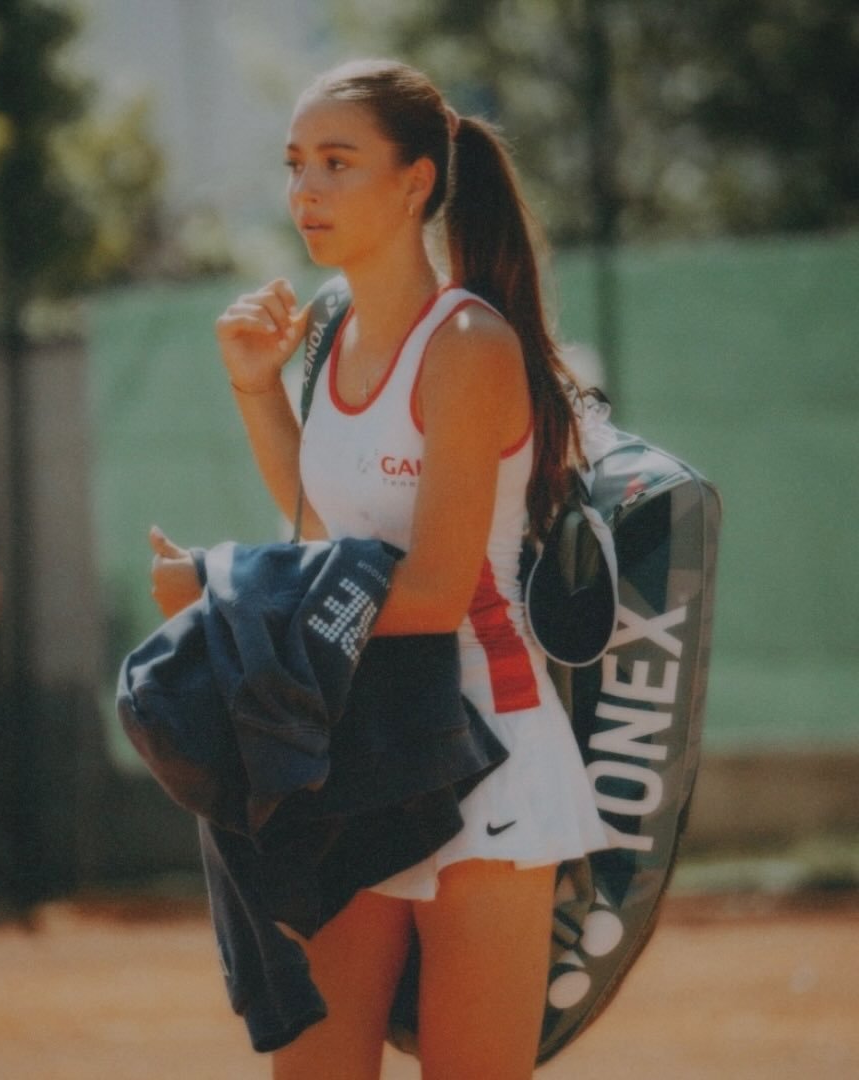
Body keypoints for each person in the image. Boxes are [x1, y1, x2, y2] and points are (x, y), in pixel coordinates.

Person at [147, 59, 609, 1080]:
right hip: (360, 740)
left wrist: (224, 600)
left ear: (414, 183)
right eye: (294, 163)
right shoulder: (328, 328)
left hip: (489, 747)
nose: (305, 190)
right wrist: (255, 389)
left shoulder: (469, 344)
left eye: (337, 162)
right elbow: (329, 530)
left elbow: (434, 595)